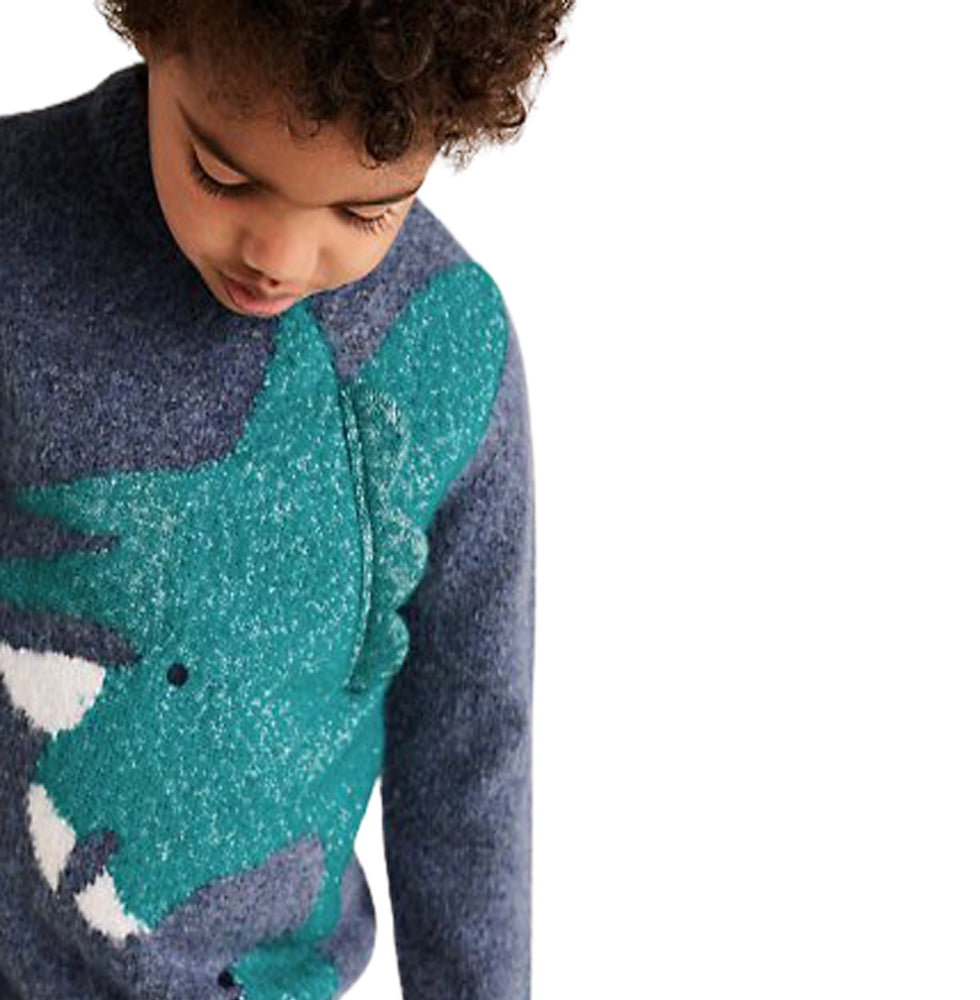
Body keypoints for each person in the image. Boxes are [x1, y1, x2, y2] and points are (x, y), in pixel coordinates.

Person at [0, 1, 573, 998]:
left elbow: (470, 751)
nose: (279, 254)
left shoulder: (447, 352)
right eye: (223, 175)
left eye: (363, 212)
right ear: (155, 30)